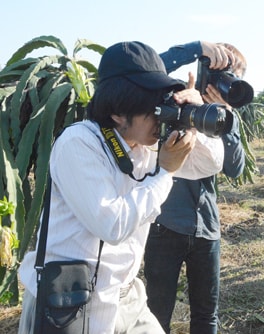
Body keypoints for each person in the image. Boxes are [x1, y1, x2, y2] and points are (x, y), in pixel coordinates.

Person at [17, 41, 225, 333]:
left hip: (126, 297)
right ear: (118, 112)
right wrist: (165, 172)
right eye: (153, 109)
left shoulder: (147, 147)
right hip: (69, 304)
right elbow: (112, 225)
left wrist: (193, 117)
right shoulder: (79, 143)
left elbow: (211, 164)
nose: (160, 117)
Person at [143, 41, 247, 333]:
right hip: (165, 225)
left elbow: (235, 167)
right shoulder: (175, 101)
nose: (226, 85)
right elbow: (143, 70)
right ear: (204, 73)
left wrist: (224, 117)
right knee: (155, 314)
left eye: (233, 79)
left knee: (206, 315)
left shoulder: (223, 117)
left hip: (207, 228)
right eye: (221, 77)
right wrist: (196, 48)